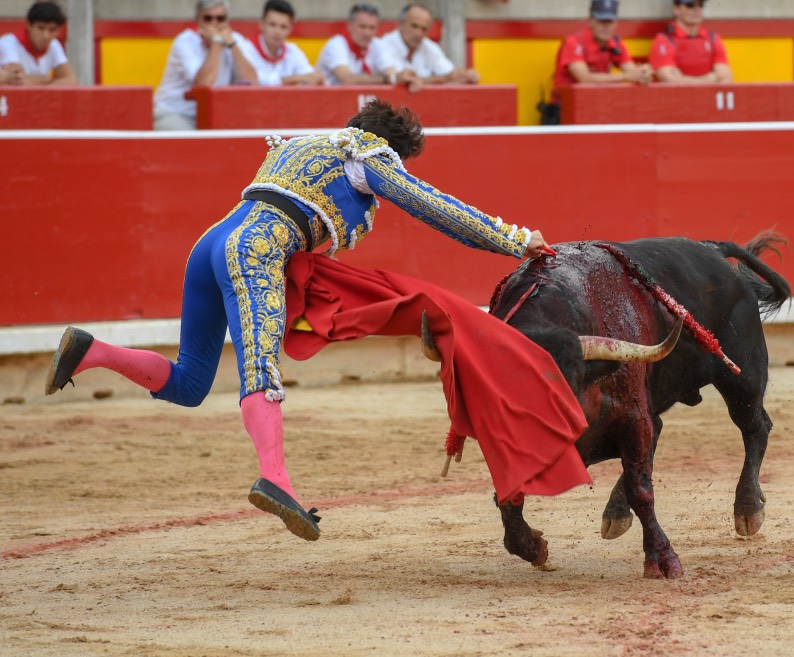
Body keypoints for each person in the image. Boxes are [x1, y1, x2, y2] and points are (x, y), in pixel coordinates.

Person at [45, 99, 586, 544]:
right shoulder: (366, 153)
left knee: (189, 383)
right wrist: (513, 239)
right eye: (401, 159)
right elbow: (434, 207)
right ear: (386, 145)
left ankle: (92, 352)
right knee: (260, 369)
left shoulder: (301, 143)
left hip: (210, 243)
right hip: (256, 247)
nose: (398, 168)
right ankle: (275, 479)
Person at [153, 0, 258, 131]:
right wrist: (216, 41)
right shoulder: (185, 42)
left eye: (220, 18)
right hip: (175, 113)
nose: (214, 23)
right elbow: (204, 84)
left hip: (215, 116)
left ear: (227, 21)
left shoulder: (235, 40)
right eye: (208, 18)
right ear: (198, 21)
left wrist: (232, 45)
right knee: (192, 144)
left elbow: (252, 81)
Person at [541, 0, 650, 125]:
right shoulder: (574, 42)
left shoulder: (615, 43)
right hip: (563, 113)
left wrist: (643, 74)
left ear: (616, 23)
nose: (605, 26)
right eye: (601, 21)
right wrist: (626, 76)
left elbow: (632, 71)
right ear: (590, 21)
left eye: (610, 21)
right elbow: (585, 79)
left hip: (596, 110)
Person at [372, 3, 479, 93]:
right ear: (401, 24)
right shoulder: (383, 44)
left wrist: (466, 76)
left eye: (424, 29)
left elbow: (452, 75)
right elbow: (402, 80)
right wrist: (443, 79)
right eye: (414, 26)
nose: (418, 33)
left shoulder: (430, 47)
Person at [240, 0, 324, 86]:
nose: (277, 31)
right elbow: (254, 80)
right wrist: (295, 79)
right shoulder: (245, 49)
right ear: (261, 25)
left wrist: (315, 79)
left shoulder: (292, 50)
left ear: (290, 30)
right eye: (272, 25)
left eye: (283, 27)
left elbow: (309, 76)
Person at [649, 0, 733, 84]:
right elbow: (669, 79)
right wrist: (710, 79)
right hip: (677, 97)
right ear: (676, 9)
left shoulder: (712, 38)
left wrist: (684, 79)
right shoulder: (664, 40)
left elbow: (726, 79)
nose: (697, 9)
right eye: (690, 5)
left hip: (708, 97)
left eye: (700, 5)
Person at [0, 1, 77, 86]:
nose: (46, 36)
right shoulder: (8, 43)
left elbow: (71, 80)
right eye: (41, 28)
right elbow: (17, 79)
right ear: (29, 26)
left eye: (52, 30)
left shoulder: (54, 44)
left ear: (58, 31)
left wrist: (44, 89)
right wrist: (47, 79)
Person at [315, 4, 393, 86]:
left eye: (372, 28)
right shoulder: (336, 45)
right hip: (329, 98)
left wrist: (393, 77)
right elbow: (348, 79)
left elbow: (391, 72)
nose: (367, 33)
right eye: (362, 27)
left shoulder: (377, 44)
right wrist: (387, 79)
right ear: (349, 25)